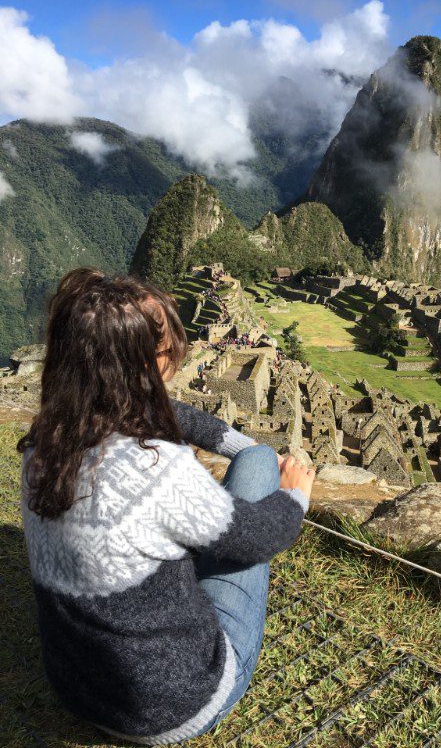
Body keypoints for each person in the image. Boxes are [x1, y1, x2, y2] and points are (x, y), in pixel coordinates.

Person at [18, 268, 314, 745]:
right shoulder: (155, 470)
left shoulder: (41, 446)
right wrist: (295, 494)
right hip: (175, 706)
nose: (173, 362)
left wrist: (234, 441)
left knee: (249, 458)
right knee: (261, 466)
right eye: (163, 354)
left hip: (77, 692)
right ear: (139, 369)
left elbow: (162, 411)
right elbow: (262, 536)